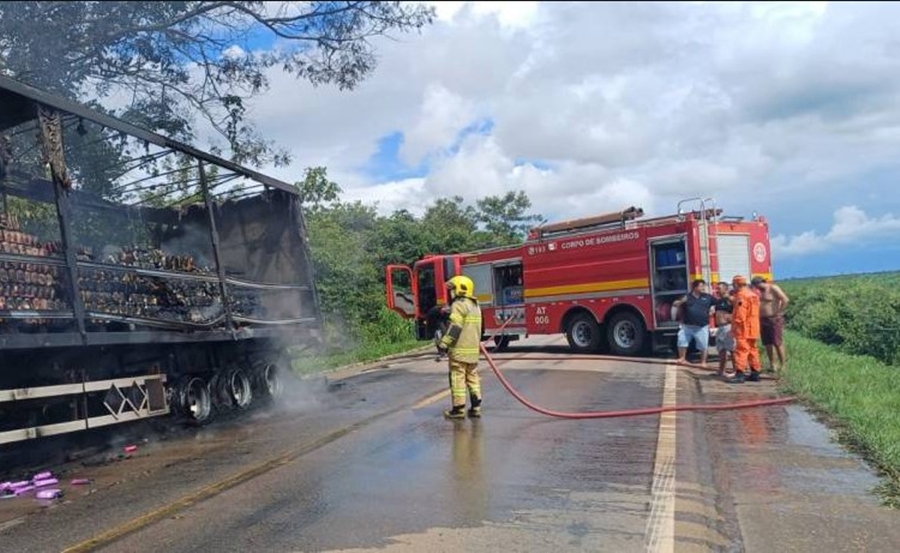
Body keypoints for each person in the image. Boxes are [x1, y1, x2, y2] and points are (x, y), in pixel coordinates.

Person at [437, 275, 484, 419]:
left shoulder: (459, 304)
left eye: (453, 288)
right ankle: (476, 407)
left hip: (459, 350)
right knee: (472, 377)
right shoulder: (475, 305)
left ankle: (458, 410)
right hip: (473, 351)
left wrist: (444, 344)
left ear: (460, 289)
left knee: (457, 377)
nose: (451, 292)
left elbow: (455, 327)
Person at [751, 276, 790, 373]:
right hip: (763, 319)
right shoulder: (758, 292)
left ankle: (783, 365)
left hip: (774, 319)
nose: (757, 288)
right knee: (767, 343)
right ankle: (772, 364)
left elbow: (785, 299)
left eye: (758, 285)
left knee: (777, 342)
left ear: (762, 282)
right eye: (755, 286)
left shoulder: (773, 288)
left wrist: (780, 311)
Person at [673, 279, 715, 365]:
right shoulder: (687, 297)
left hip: (702, 326)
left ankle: (703, 362)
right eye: (701, 286)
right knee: (681, 341)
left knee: (703, 345)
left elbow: (717, 303)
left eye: (704, 286)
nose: (703, 288)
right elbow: (675, 304)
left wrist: (713, 308)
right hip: (687, 326)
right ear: (695, 287)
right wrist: (681, 302)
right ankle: (682, 358)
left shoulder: (707, 297)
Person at [729, 275, 762, 383]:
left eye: (733, 284)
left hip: (743, 327)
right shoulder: (753, 294)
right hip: (753, 327)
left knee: (741, 350)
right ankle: (755, 373)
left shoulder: (741, 296)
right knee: (753, 349)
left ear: (736, 284)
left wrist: (734, 327)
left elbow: (740, 314)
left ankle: (740, 374)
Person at [713, 281, 735, 377]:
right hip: (720, 328)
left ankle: (736, 370)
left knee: (732, 350)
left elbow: (738, 308)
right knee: (721, 350)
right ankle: (721, 371)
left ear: (726, 289)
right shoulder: (719, 300)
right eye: (717, 288)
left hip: (728, 327)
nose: (717, 290)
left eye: (719, 288)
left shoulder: (730, 299)